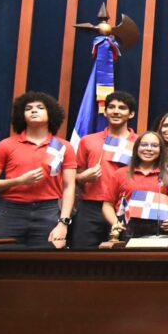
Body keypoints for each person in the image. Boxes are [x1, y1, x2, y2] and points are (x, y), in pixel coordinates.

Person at [0, 92, 76, 248]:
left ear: (50, 113)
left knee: (43, 267)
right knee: (4, 265)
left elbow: (69, 186)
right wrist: (19, 181)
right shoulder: (6, 145)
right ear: (21, 115)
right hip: (10, 211)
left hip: (48, 212)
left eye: (40, 107)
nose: (33, 110)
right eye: (28, 108)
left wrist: (63, 223)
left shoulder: (64, 147)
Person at [72, 91, 138, 248]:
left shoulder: (140, 143)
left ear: (131, 114)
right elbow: (72, 176)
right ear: (105, 111)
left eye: (122, 108)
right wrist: (82, 178)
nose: (116, 111)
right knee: (82, 255)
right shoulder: (88, 141)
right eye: (112, 107)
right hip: (91, 207)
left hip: (125, 207)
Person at [103, 130, 168, 239]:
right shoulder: (120, 174)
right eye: (144, 145)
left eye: (154, 146)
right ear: (136, 148)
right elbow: (107, 205)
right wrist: (115, 223)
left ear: (160, 150)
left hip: (158, 232)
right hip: (126, 231)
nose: (148, 149)